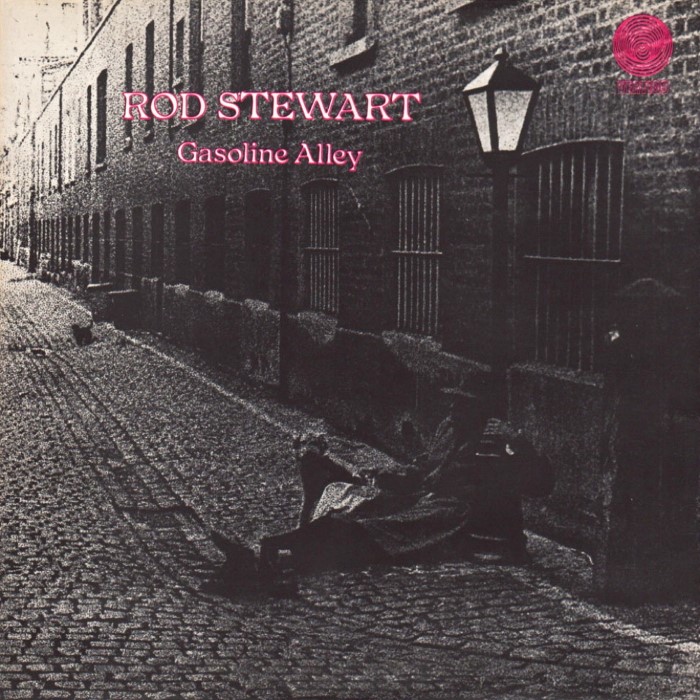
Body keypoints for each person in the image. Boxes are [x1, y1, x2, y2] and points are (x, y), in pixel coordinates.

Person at [258, 389, 554, 583]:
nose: (452, 407)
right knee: (354, 502)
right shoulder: (449, 428)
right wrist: (387, 474)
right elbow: (423, 469)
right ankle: (283, 546)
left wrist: (518, 445)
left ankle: (286, 549)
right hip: (421, 496)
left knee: (376, 530)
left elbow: (540, 485)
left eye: (462, 402)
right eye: (453, 400)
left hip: (452, 513)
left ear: (481, 410)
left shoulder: (496, 442)